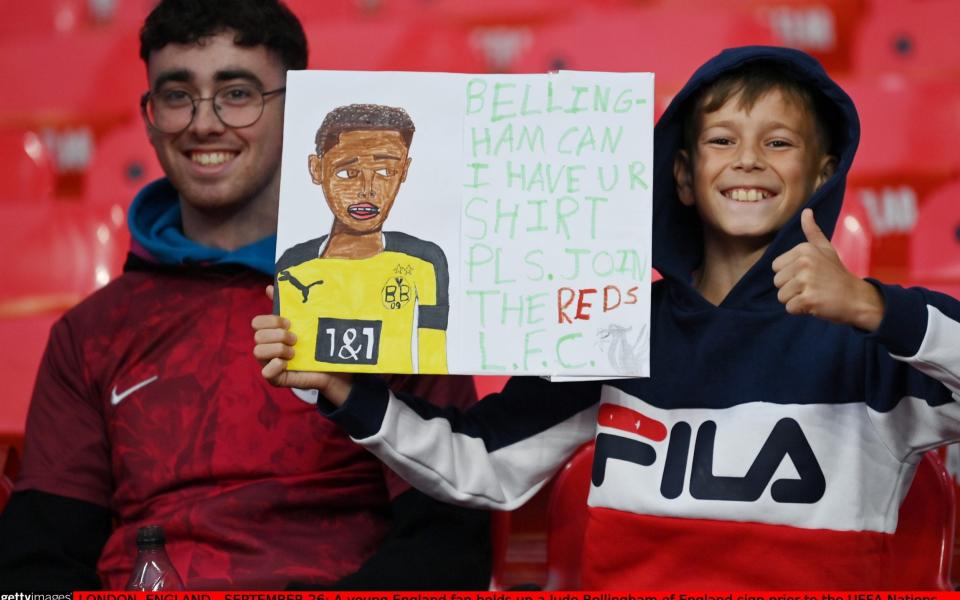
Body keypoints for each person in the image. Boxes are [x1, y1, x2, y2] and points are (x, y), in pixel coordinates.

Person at [253, 46, 960, 588]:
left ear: (823, 173)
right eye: (721, 140)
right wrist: (342, 389)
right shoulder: (616, 324)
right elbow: (483, 465)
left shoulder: (875, 338)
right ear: (681, 175)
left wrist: (875, 307)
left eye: (779, 142)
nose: (748, 159)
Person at [0, 0, 489, 591]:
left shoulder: (394, 291)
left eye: (237, 93)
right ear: (150, 118)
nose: (204, 123)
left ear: (300, 107)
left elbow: (447, 543)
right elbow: (35, 567)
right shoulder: (90, 332)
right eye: (178, 95)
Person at [276, 104, 449, 374]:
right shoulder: (293, 267)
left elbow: (435, 360)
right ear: (316, 168)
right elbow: (295, 366)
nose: (367, 189)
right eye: (347, 173)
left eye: (385, 172)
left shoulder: (425, 263)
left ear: (404, 170)